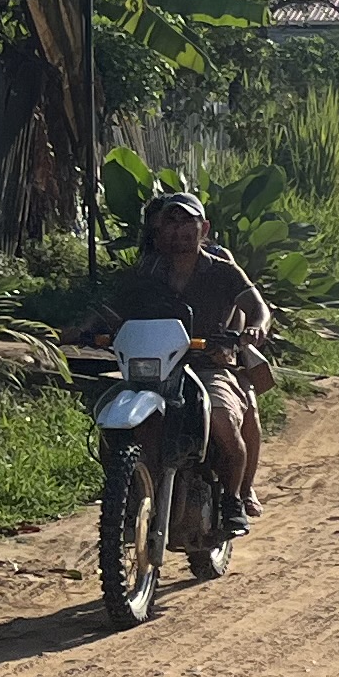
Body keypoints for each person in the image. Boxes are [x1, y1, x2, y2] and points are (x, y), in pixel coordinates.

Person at [80, 188, 273, 526]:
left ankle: (232, 500)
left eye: (188, 223)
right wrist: (78, 331)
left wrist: (255, 328)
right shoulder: (146, 273)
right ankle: (124, 488)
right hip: (153, 364)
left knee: (223, 421)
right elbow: (110, 310)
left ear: (204, 228)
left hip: (209, 365)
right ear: (159, 232)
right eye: (170, 224)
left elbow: (258, 308)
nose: (178, 231)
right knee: (111, 421)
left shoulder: (223, 270)